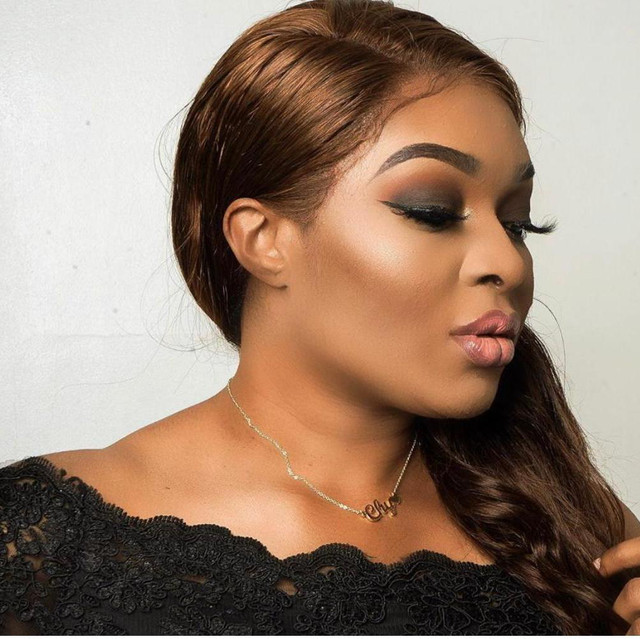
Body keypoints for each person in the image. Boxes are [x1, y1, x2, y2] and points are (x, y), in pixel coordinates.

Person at [2, 0, 639, 634]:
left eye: (517, 222)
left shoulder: (575, 528)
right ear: (264, 240)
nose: (508, 262)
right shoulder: (45, 541)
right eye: (432, 211)